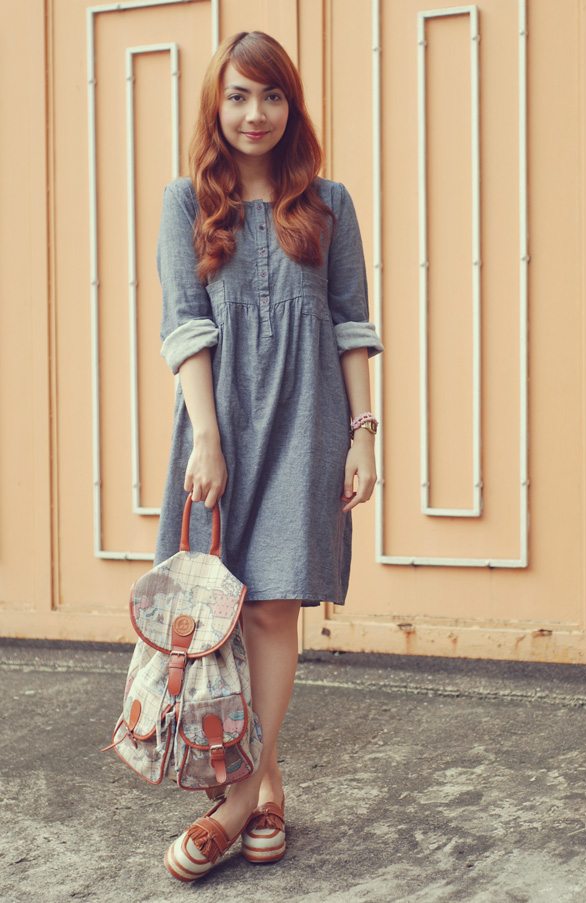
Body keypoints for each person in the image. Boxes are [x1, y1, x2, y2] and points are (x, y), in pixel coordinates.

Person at [156, 30, 383, 881]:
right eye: (240, 96)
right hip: (220, 424)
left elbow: (352, 325)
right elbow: (186, 328)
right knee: (228, 607)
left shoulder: (329, 203)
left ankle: (236, 801)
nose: (256, 113)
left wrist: (364, 434)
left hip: (309, 423)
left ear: (292, 105)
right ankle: (269, 788)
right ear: (217, 106)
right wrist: (207, 438)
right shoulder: (186, 202)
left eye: (273, 95)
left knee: (271, 609)